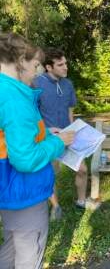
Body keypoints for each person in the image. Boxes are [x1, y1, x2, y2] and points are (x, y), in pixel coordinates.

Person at [0, 32, 74, 269]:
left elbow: (13, 138)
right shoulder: (13, 98)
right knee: (28, 253)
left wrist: (45, 134)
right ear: (20, 60)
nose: (37, 72)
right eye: (35, 65)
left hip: (10, 189)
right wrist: (59, 142)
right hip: (23, 192)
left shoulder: (6, 90)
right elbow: (25, 158)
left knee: (12, 246)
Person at [33, 48, 89, 219]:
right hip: (48, 138)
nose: (66, 67)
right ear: (49, 67)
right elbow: (32, 114)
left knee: (83, 169)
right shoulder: (36, 84)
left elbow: (70, 110)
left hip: (68, 135)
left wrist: (73, 128)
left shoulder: (68, 84)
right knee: (52, 174)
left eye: (65, 63)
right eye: (60, 65)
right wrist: (44, 132)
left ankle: (81, 202)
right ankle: (55, 207)